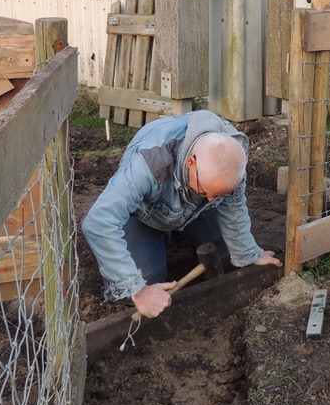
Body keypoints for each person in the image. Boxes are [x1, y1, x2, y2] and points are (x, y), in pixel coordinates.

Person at [81, 110, 281, 318]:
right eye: (206, 191)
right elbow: (99, 222)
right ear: (191, 163)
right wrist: (138, 291)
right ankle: (162, 238)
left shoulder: (231, 156)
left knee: (228, 261)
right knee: (147, 292)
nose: (213, 199)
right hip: (144, 213)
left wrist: (249, 252)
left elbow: (233, 202)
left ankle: (186, 221)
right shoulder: (149, 164)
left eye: (218, 194)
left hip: (194, 208)